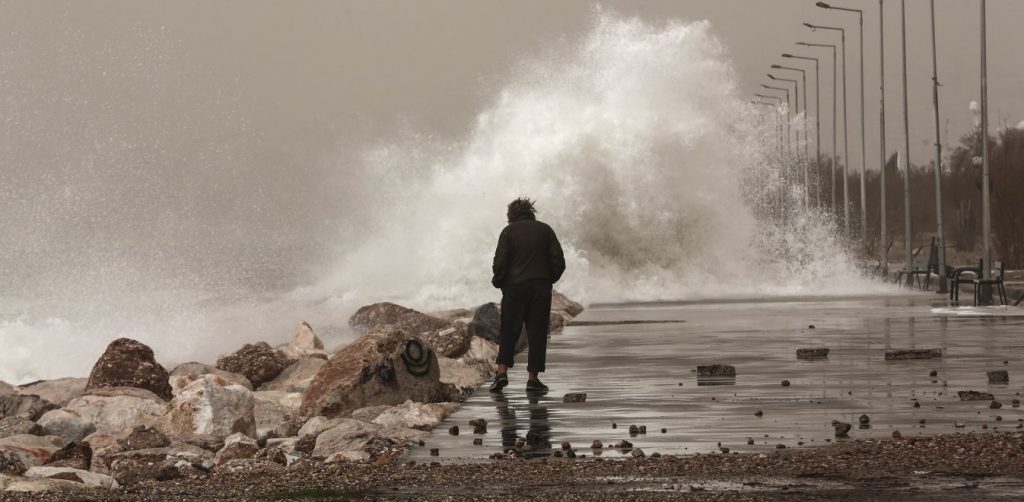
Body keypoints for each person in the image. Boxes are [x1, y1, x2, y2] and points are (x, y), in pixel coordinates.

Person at [489, 197, 565, 393]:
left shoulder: (508, 232)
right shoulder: (545, 230)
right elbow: (559, 261)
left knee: (509, 330)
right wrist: (548, 279)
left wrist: (499, 281)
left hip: (514, 288)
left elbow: (500, 262)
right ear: (531, 212)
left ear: (511, 216)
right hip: (540, 287)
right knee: (537, 333)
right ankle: (533, 379)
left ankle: (501, 373)